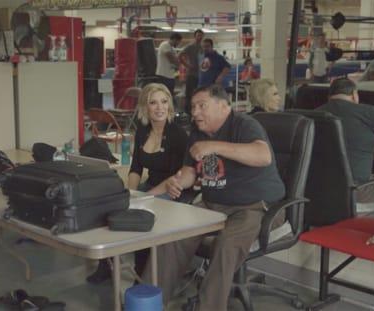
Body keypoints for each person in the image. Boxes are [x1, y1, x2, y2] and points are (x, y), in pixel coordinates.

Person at [145, 84, 286, 311]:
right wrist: (176, 182)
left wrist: (214, 146)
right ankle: (148, 303)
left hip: (254, 207)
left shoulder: (244, 124)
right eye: (193, 107)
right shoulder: (197, 135)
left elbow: (263, 155)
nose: (195, 112)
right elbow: (190, 173)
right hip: (211, 205)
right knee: (173, 237)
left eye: (202, 106)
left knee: (226, 246)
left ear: (223, 106)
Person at [86, 83, 188, 284]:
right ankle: (107, 266)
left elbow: (176, 177)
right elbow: (136, 168)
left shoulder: (178, 134)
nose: (159, 108)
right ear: (145, 107)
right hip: (149, 188)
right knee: (112, 209)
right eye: (153, 103)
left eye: (164, 102)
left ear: (169, 105)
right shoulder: (142, 130)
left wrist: (144, 197)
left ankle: (141, 276)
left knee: (140, 220)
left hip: (172, 191)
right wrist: (130, 194)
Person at [317, 78, 374, 217]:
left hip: (316, 192)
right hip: (355, 193)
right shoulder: (367, 112)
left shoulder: (314, 114)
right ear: (354, 94)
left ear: (329, 97)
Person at [179, 29, 204, 114]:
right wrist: (187, 65)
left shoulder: (202, 48)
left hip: (200, 76)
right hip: (191, 75)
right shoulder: (190, 46)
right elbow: (179, 55)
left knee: (197, 95)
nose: (199, 37)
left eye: (201, 36)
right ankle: (187, 114)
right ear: (195, 36)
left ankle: (195, 112)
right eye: (198, 35)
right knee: (189, 95)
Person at [156, 32, 182, 96]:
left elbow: (176, 60)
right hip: (163, 75)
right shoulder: (165, 45)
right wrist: (179, 65)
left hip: (170, 76)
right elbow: (172, 59)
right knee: (163, 94)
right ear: (175, 39)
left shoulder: (172, 49)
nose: (179, 44)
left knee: (169, 95)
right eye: (178, 42)